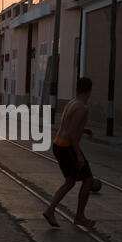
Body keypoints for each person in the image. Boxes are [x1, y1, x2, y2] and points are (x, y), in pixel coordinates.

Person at [43, 77, 96, 228]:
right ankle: (79, 216)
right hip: (67, 147)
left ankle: (50, 210)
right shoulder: (82, 107)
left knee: (71, 181)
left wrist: (83, 130)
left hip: (59, 144)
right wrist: (79, 155)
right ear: (89, 90)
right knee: (88, 180)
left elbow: (68, 125)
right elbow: (72, 133)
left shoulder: (72, 102)